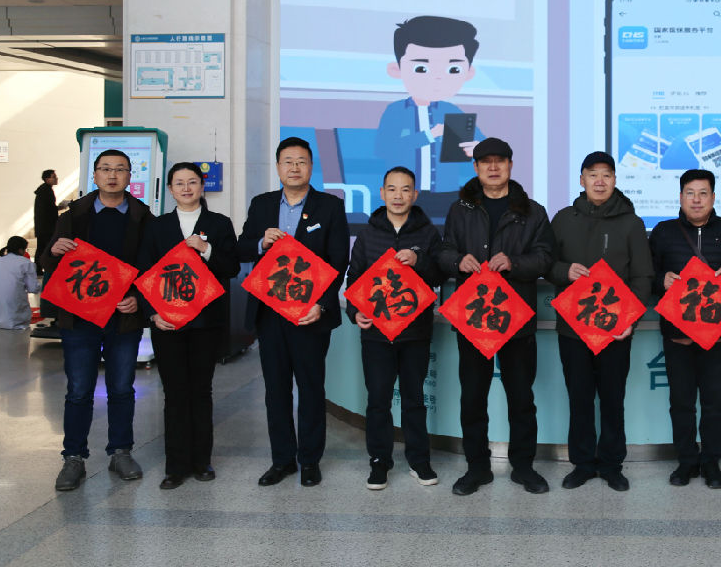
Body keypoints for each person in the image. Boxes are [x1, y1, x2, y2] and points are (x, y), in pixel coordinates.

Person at [435, 137, 554, 496]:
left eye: (499, 161)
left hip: (515, 319)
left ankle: (524, 467)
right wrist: (458, 261)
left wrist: (514, 263)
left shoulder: (532, 211)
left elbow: (546, 257)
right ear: (475, 168)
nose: (492, 167)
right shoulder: (460, 210)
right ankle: (477, 468)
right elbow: (443, 251)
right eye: (485, 162)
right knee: (473, 396)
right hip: (474, 318)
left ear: (510, 165)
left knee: (521, 397)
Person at [237, 136, 350, 488]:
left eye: (301, 161)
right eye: (288, 161)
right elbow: (242, 247)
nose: (295, 167)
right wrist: (260, 243)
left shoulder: (329, 206)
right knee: (276, 390)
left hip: (310, 313)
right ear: (278, 167)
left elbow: (338, 260)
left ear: (311, 167)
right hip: (270, 313)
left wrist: (321, 304)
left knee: (311, 388)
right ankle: (282, 459)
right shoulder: (262, 204)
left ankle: (310, 460)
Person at [42, 149, 151, 492]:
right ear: (95, 174)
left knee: (121, 388)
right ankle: (73, 457)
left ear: (130, 176)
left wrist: (139, 300)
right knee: (78, 390)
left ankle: (121, 452)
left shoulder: (143, 217)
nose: (112, 175)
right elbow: (47, 258)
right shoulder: (73, 215)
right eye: (105, 169)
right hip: (80, 318)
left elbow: (152, 268)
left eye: (120, 169)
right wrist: (53, 251)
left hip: (123, 318)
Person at [548, 151, 653, 492]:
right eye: (592, 174)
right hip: (573, 329)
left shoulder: (631, 223)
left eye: (606, 175)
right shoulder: (563, 219)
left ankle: (611, 465)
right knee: (579, 398)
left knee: (612, 399)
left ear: (615, 180)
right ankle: (581, 464)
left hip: (616, 330)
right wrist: (564, 270)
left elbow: (642, 276)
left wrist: (630, 320)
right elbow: (546, 264)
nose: (599, 181)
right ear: (582, 180)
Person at [137, 162, 239, 490]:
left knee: (201, 391)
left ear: (202, 186)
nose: (186, 188)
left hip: (206, 321)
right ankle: (175, 466)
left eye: (192, 182)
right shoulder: (157, 226)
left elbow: (232, 267)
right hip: (167, 322)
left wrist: (206, 249)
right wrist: (152, 314)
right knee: (175, 393)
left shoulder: (219, 224)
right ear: (170, 189)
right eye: (179, 183)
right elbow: (144, 271)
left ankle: (201, 461)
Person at [648, 168, 721, 489]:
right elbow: (646, 275)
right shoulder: (664, 232)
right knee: (681, 402)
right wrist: (661, 280)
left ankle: (711, 462)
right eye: (690, 193)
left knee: (714, 402)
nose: (696, 200)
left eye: (703, 193)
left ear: (713, 197)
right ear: (680, 197)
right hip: (677, 334)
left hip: (718, 335)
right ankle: (686, 462)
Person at [345, 166, 443, 490]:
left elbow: (440, 274)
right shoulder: (368, 234)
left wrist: (419, 261)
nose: (398, 196)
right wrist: (355, 312)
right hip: (375, 334)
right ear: (382, 193)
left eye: (405, 190)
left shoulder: (428, 233)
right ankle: (379, 461)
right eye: (392, 189)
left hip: (415, 332)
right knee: (378, 400)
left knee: (414, 399)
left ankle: (419, 460)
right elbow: (354, 276)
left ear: (414, 195)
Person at [375, 16, 485, 216]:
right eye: (421, 68)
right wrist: (429, 135)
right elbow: (384, 148)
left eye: (453, 69)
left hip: (449, 192)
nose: (437, 77)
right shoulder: (395, 111)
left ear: (468, 73)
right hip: (408, 196)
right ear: (396, 69)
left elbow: (484, 146)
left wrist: (476, 149)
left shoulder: (452, 111)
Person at [0, 236, 39, 330]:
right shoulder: (26, 262)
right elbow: (33, 288)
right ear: (21, 249)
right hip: (12, 305)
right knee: (16, 303)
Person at [34, 169, 61, 274]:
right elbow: (48, 210)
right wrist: (58, 208)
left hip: (43, 226)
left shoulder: (45, 190)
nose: (56, 178)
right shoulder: (45, 191)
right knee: (44, 248)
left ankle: (39, 268)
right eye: (53, 177)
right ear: (47, 179)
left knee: (41, 247)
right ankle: (42, 267)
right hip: (46, 226)